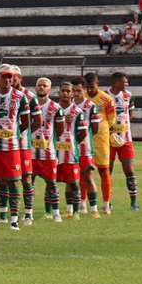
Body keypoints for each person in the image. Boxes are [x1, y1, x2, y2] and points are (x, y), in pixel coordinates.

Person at [0, 64, 32, 230]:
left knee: (14, 182)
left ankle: (14, 219)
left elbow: (27, 122)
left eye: (10, 77)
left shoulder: (20, 96)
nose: (8, 79)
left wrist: (13, 133)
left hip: (11, 148)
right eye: (4, 76)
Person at [10, 66, 43, 224]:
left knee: (26, 177)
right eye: (10, 76)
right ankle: (5, 215)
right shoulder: (3, 94)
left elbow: (38, 121)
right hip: (6, 145)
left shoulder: (29, 96)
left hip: (22, 145)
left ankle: (28, 213)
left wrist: (24, 132)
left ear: (20, 78)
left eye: (15, 76)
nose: (12, 79)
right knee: (7, 178)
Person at [53, 82, 88, 219]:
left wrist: (73, 142)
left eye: (69, 91)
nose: (66, 93)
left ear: (73, 94)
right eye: (63, 91)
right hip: (53, 151)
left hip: (71, 152)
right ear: (59, 93)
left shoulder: (78, 112)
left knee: (73, 182)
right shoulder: (53, 109)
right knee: (51, 182)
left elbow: (83, 133)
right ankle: (50, 212)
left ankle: (75, 212)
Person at [84, 72, 117, 215]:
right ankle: (82, 204)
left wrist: (102, 130)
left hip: (101, 140)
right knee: (84, 172)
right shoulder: (81, 97)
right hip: (85, 140)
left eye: (93, 87)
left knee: (104, 171)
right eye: (88, 87)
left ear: (97, 84)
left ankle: (106, 203)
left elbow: (111, 119)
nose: (90, 90)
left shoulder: (106, 99)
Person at [31, 77, 62, 222]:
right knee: (28, 183)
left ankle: (55, 213)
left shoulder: (56, 108)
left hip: (48, 152)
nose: (41, 88)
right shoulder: (28, 105)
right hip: (30, 153)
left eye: (45, 86)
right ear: (35, 88)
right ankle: (28, 213)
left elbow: (60, 130)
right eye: (39, 85)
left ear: (50, 89)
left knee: (51, 183)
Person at [108, 71, 140, 211]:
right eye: (124, 82)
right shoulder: (104, 96)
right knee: (107, 172)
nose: (127, 84)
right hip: (108, 140)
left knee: (129, 171)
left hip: (125, 139)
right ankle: (107, 201)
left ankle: (134, 202)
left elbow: (130, 114)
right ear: (116, 82)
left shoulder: (129, 95)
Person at [70, 76, 101, 217]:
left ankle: (94, 209)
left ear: (84, 90)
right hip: (69, 148)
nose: (76, 93)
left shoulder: (90, 106)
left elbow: (95, 128)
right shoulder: (68, 105)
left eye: (79, 90)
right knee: (69, 179)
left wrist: (84, 138)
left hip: (85, 148)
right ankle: (71, 210)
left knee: (88, 177)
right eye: (74, 90)